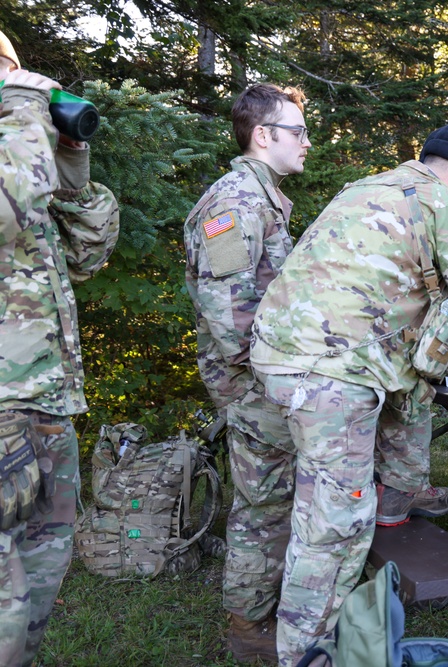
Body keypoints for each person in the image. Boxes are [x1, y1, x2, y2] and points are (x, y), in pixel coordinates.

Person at [249, 118, 448, 666]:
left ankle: (308, 638)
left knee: (310, 508)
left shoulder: (366, 188)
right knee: (335, 528)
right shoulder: (447, 208)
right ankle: (306, 657)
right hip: (333, 378)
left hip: (277, 358)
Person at [0, 32, 120, 666]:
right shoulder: (13, 162)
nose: (15, 85)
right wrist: (22, 111)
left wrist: (71, 162)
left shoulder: (20, 160)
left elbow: (87, 254)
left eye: (13, 73)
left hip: (44, 404)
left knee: (41, 579)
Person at [184, 83, 310, 663]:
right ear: (263, 136)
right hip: (253, 383)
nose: (306, 142)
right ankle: (247, 622)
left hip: (269, 379)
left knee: (275, 498)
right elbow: (232, 321)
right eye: (297, 131)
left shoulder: (263, 200)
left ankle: (265, 602)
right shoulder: (234, 204)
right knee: (262, 505)